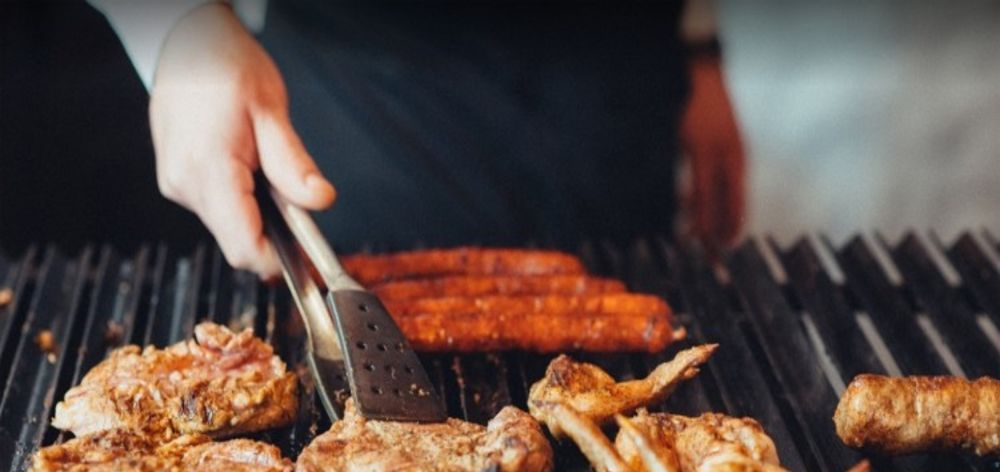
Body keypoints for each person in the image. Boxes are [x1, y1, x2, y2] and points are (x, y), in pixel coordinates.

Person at [2, 1, 745, 277]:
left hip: (616, 83)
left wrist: (699, 42)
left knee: (633, 307)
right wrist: (174, 25)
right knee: (355, 301)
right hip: (371, 91)